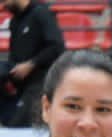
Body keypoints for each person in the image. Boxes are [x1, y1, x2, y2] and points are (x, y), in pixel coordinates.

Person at [0, 0, 64, 128]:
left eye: (4, 1)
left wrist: (31, 64)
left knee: (18, 126)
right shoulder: (14, 21)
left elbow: (57, 47)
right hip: (20, 83)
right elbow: (15, 57)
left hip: (41, 80)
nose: (3, 6)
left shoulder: (41, 13)